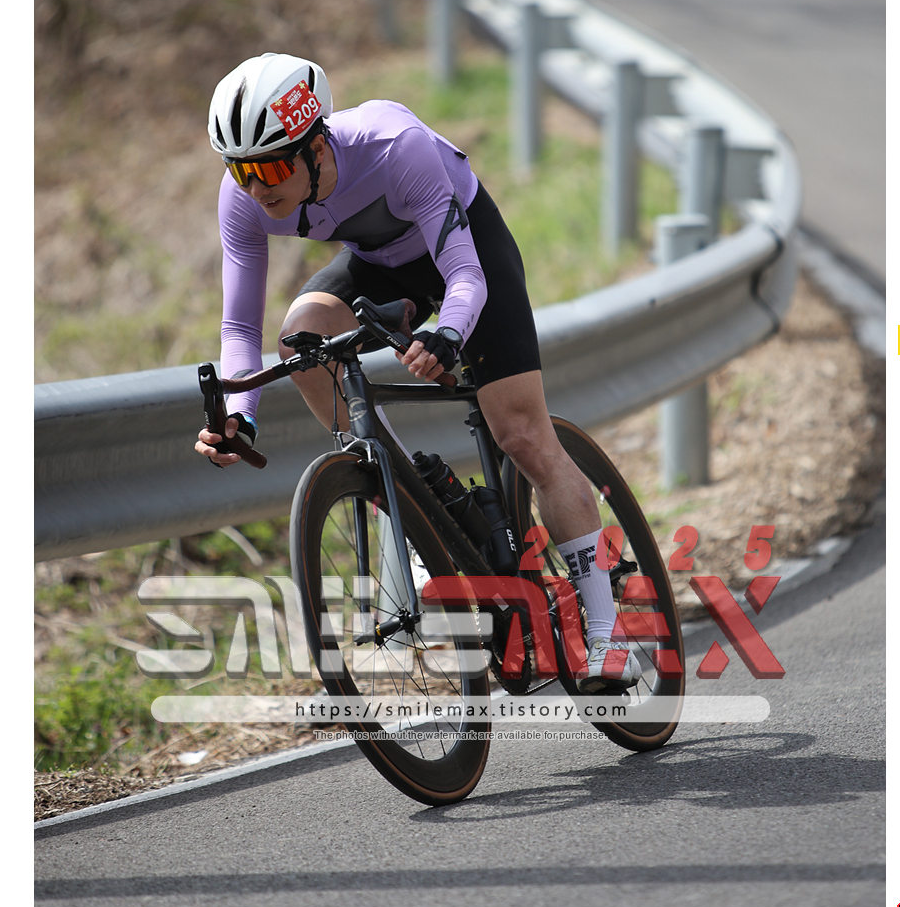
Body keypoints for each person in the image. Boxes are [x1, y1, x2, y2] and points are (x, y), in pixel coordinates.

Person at [194, 52, 638, 691]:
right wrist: (240, 417)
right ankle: (406, 503)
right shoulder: (243, 200)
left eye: (269, 167)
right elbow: (240, 330)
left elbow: (465, 276)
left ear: (316, 147)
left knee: (522, 436)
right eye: (240, 169)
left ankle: (605, 632)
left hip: (463, 252)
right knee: (300, 339)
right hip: (378, 264)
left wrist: (447, 332)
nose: (256, 188)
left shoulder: (394, 146)